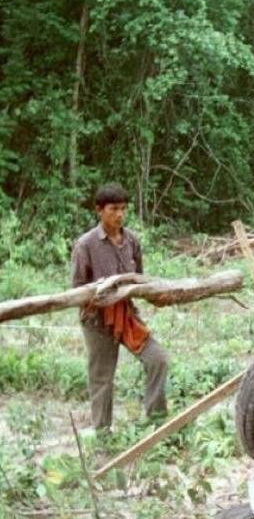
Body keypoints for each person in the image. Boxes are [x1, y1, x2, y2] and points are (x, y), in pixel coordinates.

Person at [71, 183, 168, 429]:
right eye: (114, 209)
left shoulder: (132, 240)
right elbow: (77, 289)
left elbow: (140, 280)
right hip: (97, 320)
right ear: (99, 210)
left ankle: (156, 422)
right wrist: (100, 296)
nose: (120, 214)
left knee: (158, 359)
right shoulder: (86, 244)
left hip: (126, 315)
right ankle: (103, 435)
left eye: (123, 209)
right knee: (102, 378)